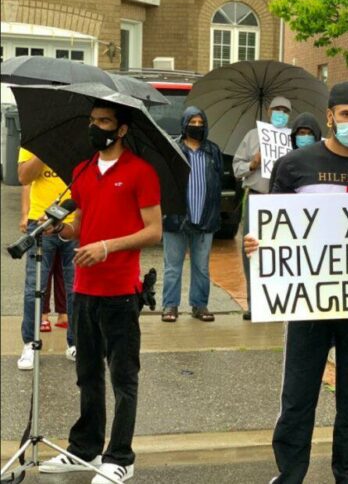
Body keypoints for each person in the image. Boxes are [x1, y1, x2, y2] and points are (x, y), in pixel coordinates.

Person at [244, 81, 348, 483]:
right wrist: (258, 244)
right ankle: (290, 473)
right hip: (307, 299)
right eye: (345, 115)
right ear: (330, 116)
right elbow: (273, 227)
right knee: (298, 394)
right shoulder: (296, 165)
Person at [39, 99, 162, 484]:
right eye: (92, 121)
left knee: (123, 377)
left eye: (104, 121)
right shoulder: (82, 171)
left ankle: (120, 457)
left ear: (121, 129)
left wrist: (108, 246)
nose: (96, 127)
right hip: (84, 289)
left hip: (121, 291)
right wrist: (62, 231)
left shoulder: (141, 172)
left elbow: (154, 230)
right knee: (86, 373)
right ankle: (84, 447)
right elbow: (82, 226)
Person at [161, 106, 223, 323]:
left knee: (202, 267)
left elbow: (218, 184)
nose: (196, 127)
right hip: (176, 217)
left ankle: (200, 305)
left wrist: (215, 214)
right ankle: (170, 306)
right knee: (172, 266)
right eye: (192, 123)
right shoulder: (173, 148)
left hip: (205, 218)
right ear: (184, 124)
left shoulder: (213, 151)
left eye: (200, 123)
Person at [233, 96, 292, 320]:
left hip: (283, 202)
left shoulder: (292, 139)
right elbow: (237, 167)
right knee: (252, 250)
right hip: (257, 199)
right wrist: (253, 164)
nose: (280, 113)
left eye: (285, 110)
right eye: (276, 109)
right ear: (268, 111)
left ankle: (278, 301)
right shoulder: (252, 136)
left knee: (281, 252)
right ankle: (254, 303)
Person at [17, 148, 77, 369]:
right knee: (35, 285)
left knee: (76, 286)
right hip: (41, 222)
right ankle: (30, 344)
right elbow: (24, 177)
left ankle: (76, 342)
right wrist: (43, 153)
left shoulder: (80, 141)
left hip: (75, 222)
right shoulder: (33, 142)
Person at [20, 184, 70, 332]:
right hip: (41, 220)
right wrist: (25, 214)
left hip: (70, 221)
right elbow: (26, 183)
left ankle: (64, 313)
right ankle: (43, 314)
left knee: (65, 273)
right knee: (41, 274)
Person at [267, 111, 323, 194]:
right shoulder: (282, 163)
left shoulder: (324, 163)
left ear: (316, 136)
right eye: (302, 133)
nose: (306, 137)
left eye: (310, 133)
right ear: (294, 136)